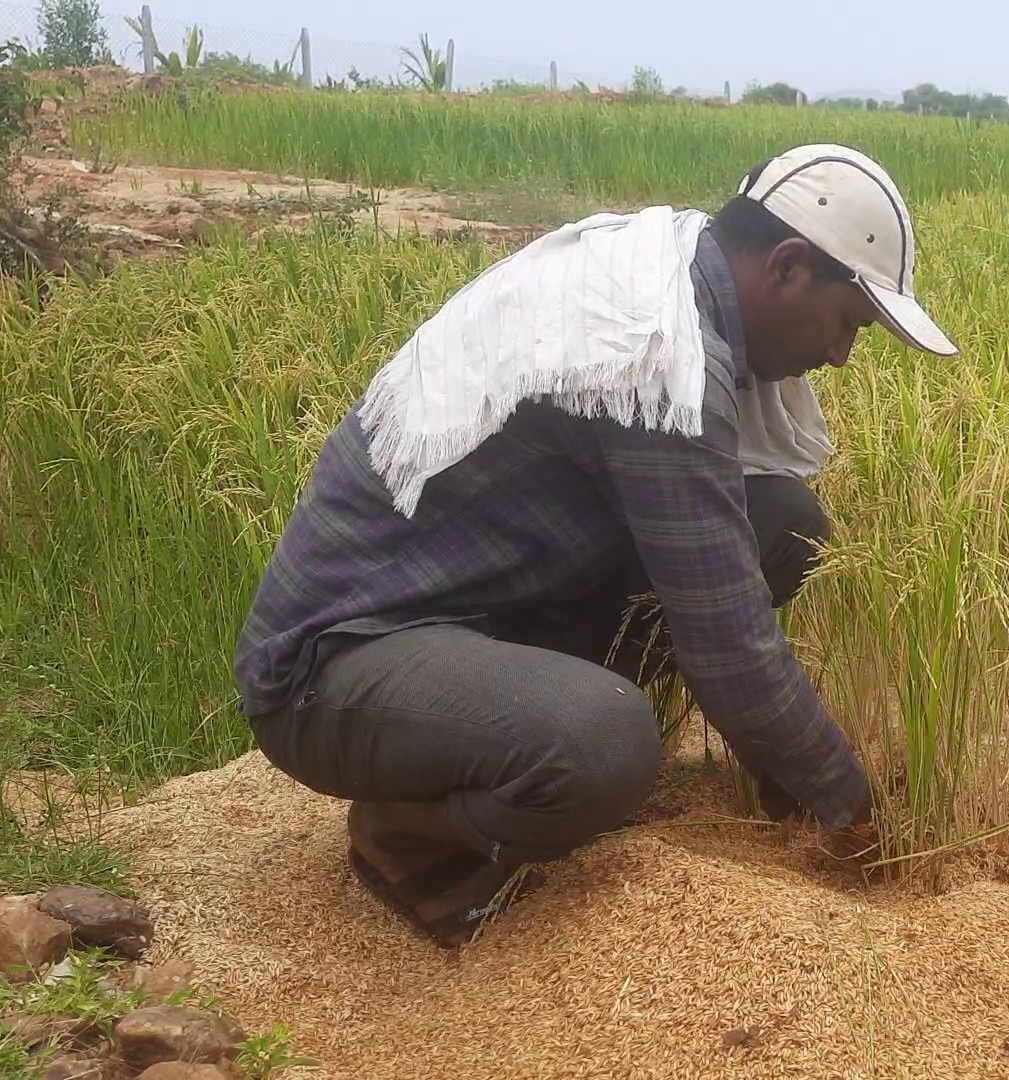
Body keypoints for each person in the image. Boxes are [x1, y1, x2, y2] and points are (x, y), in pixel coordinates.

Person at [231, 144, 958, 948]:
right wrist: (846, 804)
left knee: (781, 522)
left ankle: (533, 752)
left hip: (476, 606)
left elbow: (723, 564)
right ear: (788, 266)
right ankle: (411, 839)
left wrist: (791, 763)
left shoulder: (680, 270)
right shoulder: (650, 351)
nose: (840, 354)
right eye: (849, 322)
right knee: (605, 739)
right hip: (335, 661)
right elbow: (729, 645)